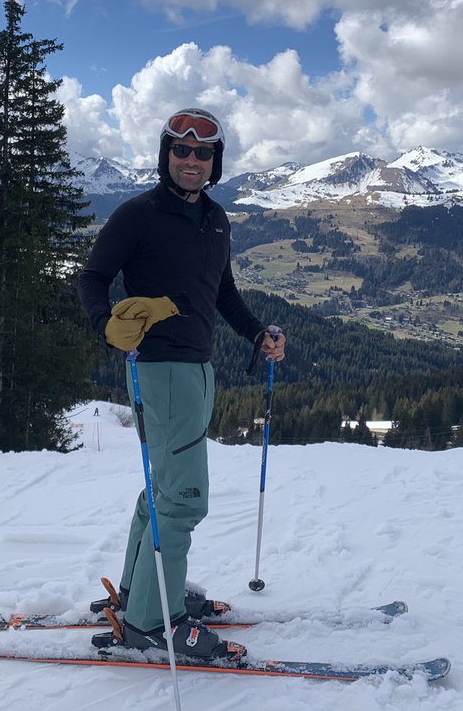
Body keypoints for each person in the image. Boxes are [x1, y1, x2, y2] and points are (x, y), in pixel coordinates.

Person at [78, 108, 285, 658]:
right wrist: (105, 327)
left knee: (162, 491)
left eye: (203, 153)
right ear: (165, 154)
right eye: (181, 149)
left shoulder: (216, 219)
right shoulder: (138, 215)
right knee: (184, 500)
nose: (191, 160)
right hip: (160, 368)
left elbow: (221, 291)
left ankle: (137, 594)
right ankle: (153, 621)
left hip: (198, 366)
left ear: (215, 162)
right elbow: (92, 277)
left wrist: (256, 332)